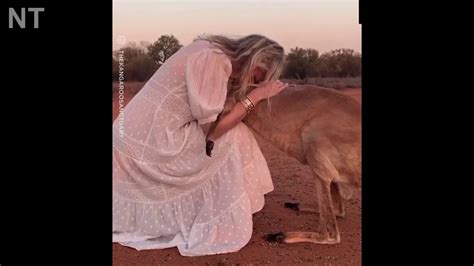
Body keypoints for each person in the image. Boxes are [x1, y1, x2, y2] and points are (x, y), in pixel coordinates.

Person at [112, 33, 289, 256]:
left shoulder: (209, 50)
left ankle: (221, 208)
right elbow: (213, 131)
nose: (259, 79)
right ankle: (220, 214)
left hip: (134, 135)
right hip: (151, 142)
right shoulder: (213, 60)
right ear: (256, 60)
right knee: (234, 138)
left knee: (236, 134)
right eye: (262, 74)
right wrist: (257, 96)